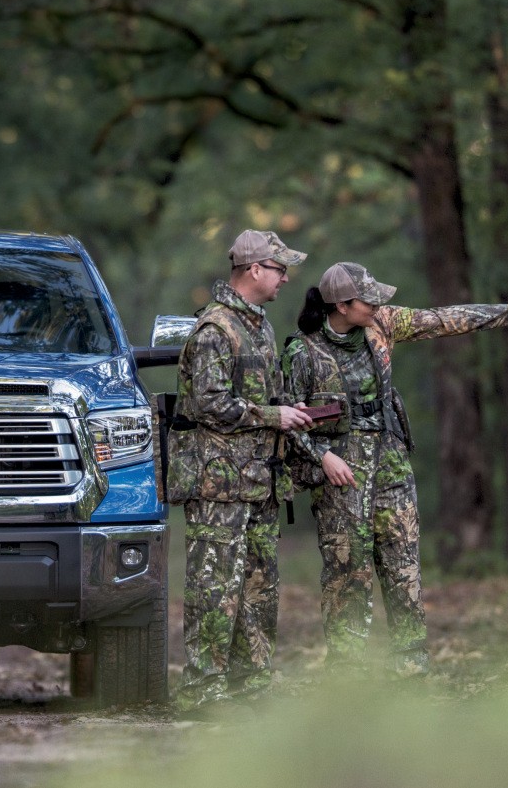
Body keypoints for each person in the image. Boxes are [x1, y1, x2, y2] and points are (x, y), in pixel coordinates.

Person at [281, 261, 508, 675]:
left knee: (403, 567)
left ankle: (411, 667)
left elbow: (443, 319)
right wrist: (322, 456)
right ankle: (347, 677)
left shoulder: (382, 324)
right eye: (368, 300)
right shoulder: (303, 352)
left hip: (391, 466)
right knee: (346, 573)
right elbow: (286, 420)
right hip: (341, 475)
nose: (377, 305)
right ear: (342, 305)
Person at [167, 229, 315, 707]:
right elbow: (208, 404)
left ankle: (250, 686)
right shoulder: (216, 329)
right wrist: (273, 416)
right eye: (279, 269)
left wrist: (290, 410)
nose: (285, 279)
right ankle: (203, 690)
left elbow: (262, 396)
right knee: (214, 588)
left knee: (258, 588)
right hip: (219, 486)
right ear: (254, 269)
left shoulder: (260, 326)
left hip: (259, 481)